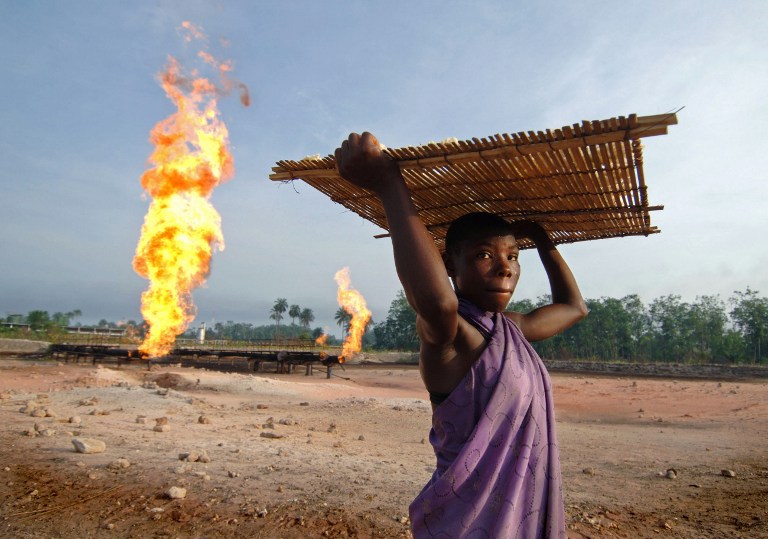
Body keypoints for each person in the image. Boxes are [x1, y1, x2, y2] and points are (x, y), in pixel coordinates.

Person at [335, 132, 588, 538]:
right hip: (465, 522)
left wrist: (542, 241)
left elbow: (575, 307)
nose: (505, 268)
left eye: (512, 257)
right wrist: (388, 186)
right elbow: (438, 303)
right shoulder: (451, 336)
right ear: (450, 265)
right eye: (484, 255)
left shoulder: (511, 329)